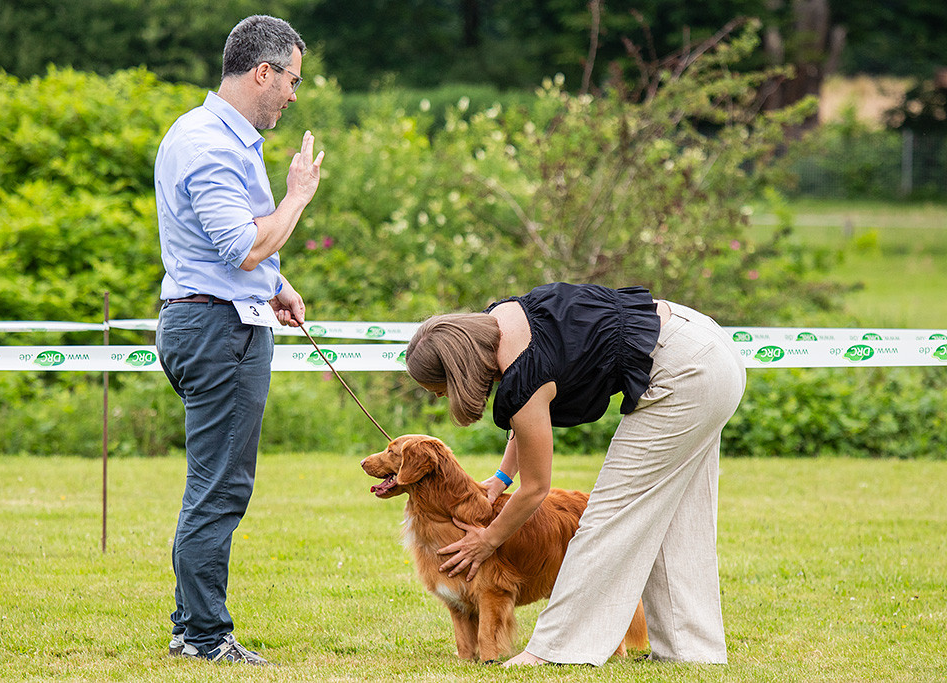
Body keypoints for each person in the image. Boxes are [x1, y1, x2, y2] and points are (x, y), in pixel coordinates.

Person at [404, 282, 746, 666]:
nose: (439, 397)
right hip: (704, 343)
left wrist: (487, 540)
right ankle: (690, 652)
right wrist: (501, 478)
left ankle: (558, 650)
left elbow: (535, 489)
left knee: (607, 516)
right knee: (678, 518)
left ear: (457, 370)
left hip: (687, 371)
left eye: (438, 388)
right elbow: (528, 416)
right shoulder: (502, 321)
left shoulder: (522, 371)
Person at [153, 14, 324, 665]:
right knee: (219, 488)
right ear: (263, 72)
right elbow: (244, 244)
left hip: (218, 315)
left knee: (213, 482)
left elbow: (232, 250)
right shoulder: (209, 143)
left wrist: (275, 285)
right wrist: (297, 197)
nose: (294, 94)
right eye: (292, 80)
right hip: (219, 332)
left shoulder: (216, 136)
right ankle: (202, 634)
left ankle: (188, 624)